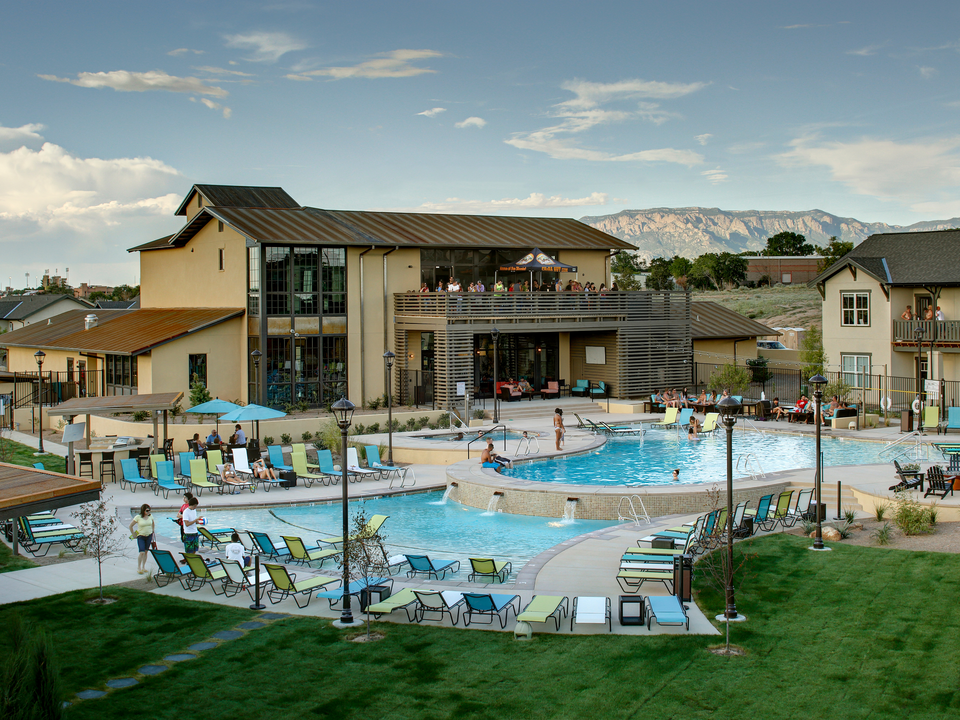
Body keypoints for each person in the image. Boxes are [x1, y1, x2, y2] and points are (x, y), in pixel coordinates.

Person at [128, 503, 155, 575]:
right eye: (147, 510)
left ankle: (143, 567)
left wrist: (152, 530)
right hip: (141, 536)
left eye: (149, 510)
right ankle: (139, 567)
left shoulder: (150, 516)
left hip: (149, 535)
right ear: (143, 510)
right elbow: (130, 525)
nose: (148, 512)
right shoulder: (138, 517)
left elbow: (153, 523)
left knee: (146, 551)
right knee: (142, 552)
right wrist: (133, 534)